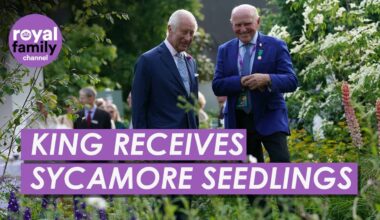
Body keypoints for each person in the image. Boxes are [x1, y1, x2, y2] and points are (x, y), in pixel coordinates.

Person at [212, 4, 298, 163]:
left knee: (281, 162)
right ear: (232, 25)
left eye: (247, 24)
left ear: (257, 22)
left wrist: (268, 79)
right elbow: (217, 85)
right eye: (238, 25)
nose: (243, 29)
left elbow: (291, 81)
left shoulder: (276, 45)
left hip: (270, 115)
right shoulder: (225, 50)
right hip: (240, 120)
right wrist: (240, 82)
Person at [132, 9, 199, 129]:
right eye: (184, 32)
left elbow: (193, 105)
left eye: (191, 33)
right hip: (160, 142)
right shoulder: (148, 61)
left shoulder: (191, 62)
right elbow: (138, 109)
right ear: (170, 29)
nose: (188, 38)